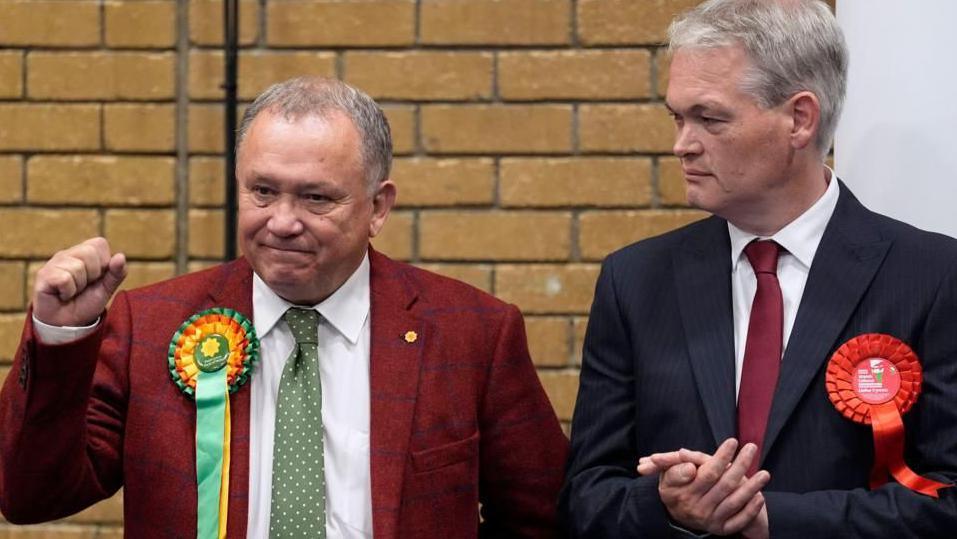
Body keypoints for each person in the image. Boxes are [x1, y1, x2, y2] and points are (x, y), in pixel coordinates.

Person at [0, 76, 568, 538]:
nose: (282, 221)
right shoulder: (149, 327)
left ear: (378, 206)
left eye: (316, 197)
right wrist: (60, 339)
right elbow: (28, 496)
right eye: (262, 191)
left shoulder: (473, 334)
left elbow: (542, 518)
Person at [559, 0, 957, 537]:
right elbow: (585, 500)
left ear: (799, 119)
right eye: (677, 117)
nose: (682, 145)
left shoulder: (932, 276)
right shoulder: (634, 281)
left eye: (710, 118)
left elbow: (948, 498)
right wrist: (669, 505)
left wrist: (772, 520)